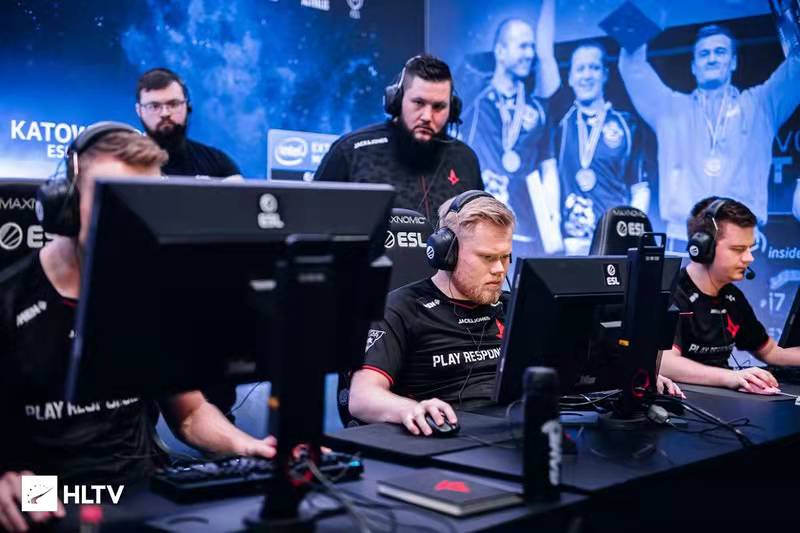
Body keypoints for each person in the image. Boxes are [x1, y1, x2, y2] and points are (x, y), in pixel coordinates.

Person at [0, 123, 274, 531]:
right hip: (49, 494)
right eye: (115, 201)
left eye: (145, 204)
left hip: (143, 491)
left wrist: (246, 447)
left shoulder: (148, 294)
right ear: (67, 204)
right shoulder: (9, 301)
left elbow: (190, 414)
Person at [619, 24, 800, 249]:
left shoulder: (760, 106)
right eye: (704, 54)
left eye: (720, 52)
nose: (712, 59)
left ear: (733, 62)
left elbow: (796, 68)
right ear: (694, 67)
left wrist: (791, 21)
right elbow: (633, 68)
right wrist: (636, 20)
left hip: (739, 238)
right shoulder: (669, 109)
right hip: (684, 238)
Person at [314, 55, 483, 224]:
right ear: (397, 100)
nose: (427, 116)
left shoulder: (465, 160)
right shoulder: (351, 151)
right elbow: (311, 223)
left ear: (452, 109)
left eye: (438, 107)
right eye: (418, 102)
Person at [660, 197, 800, 393]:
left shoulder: (732, 297)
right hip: (681, 399)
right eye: (738, 249)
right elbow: (665, 363)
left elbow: (770, 352)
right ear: (703, 248)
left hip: (722, 398)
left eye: (750, 248)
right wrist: (732, 377)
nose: (749, 258)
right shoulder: (672, 293)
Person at [460, 0, 562, 256]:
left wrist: (553, 220)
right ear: (500, 51)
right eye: (523, 46)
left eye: (532, 47)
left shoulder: (537, 109)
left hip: (524, 227)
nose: (530, 53)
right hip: (479, 223)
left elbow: (548, 166)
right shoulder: (473, 99)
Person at [554, 42, 649, 256]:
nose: (587, 75)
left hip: (614, 241)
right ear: (570, 78)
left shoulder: (627, 125)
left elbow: (640, 187)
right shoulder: (559, 124)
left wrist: (632, 237)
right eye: (580, 69)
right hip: (572, 242)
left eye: (594, 67)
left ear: (605, 74)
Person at [136, 67, 241, 178]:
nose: (165, 113)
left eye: (173, 104)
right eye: (153, 106)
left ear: (187, 107)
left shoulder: (218, 165)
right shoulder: (124, 165)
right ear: (139, 111)